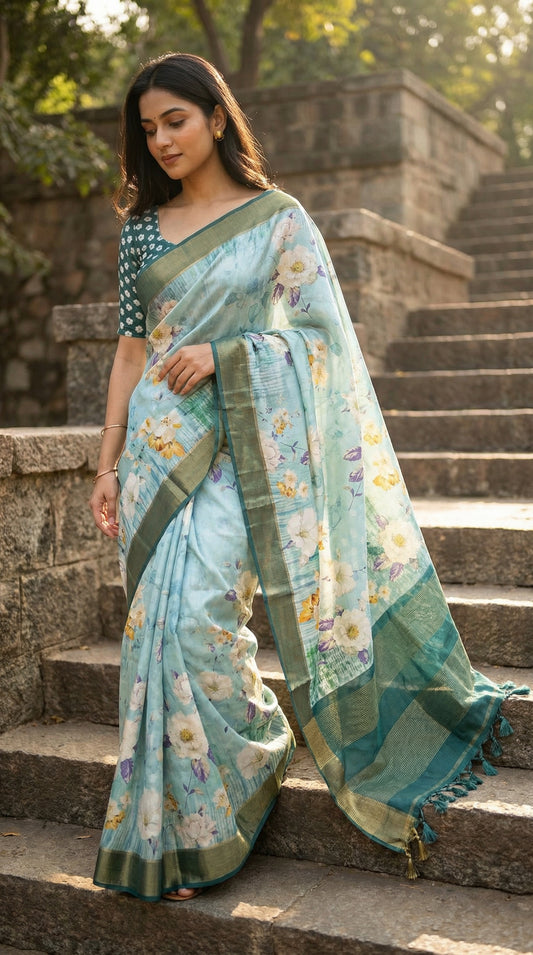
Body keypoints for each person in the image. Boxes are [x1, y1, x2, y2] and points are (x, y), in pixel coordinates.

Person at [90, 52, 520, 902]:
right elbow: (130, 351)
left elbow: (324, 345)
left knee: (199, 618)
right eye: (148, 129)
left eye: (176, 119)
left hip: (242, 449)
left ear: (216, 116)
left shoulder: (278, 220)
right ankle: (177, 831)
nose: (162, 140)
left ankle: (248, 758)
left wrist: (227, 355)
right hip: (154, 454)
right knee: (153, 632)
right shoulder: (142, 228)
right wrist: (104, 465)